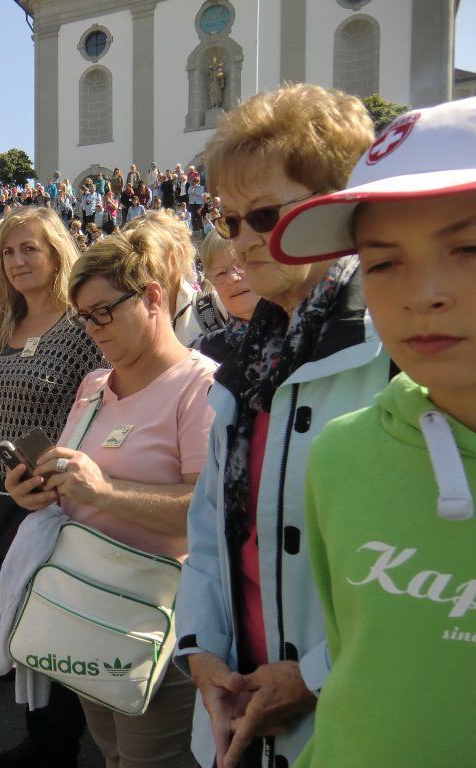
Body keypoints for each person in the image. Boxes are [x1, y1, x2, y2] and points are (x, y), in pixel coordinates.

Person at [173, 83, 387, 768]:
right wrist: (201, 652)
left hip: (354, 722)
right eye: (229, 221)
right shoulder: (247, 353)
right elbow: (211, 535)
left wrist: (314, 675)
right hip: (236, 713)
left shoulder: (397, 350)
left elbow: (425, 566)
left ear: (335, 206)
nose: (239, 243)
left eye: (264, 216)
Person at [268, 96, 476, 768]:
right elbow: (357, 657)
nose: (426, 293)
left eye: (469, 247)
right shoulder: (341, 452)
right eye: (383, 262)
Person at [4, 218, 219, 768]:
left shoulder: (202, 385)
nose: (94, 328)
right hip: (81, 604)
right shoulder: (94, 384)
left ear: (152, 297)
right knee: (111, 754)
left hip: (151, 619)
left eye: (105, 311)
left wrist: (103, 490)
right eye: (85, 317)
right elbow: (78, 487)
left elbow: (209, 514)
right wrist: (37, 489)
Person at [0, 206, 106, 764]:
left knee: (56, 626)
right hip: (6, 498)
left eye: (30, 249)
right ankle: (39, 734)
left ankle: (59, 747)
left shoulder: (79, 327)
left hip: (61, 505)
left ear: (56, 254)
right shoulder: (3, 322)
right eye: (8, 251)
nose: (18, 260)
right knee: (21, 617)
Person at [193, 230, 260, 365]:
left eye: (240, 265)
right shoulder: (204, 354)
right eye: (220, 273)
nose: (231, 278)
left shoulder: (304, 333)